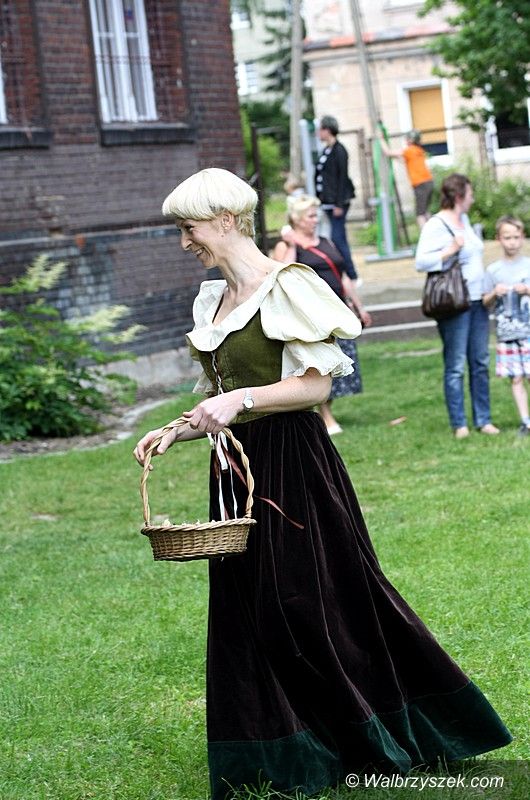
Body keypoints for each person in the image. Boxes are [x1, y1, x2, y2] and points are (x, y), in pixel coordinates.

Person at [134, 168, 511, 800]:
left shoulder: (288, 286)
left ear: (225, 221)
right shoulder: (213, 301)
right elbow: (224, 400)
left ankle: (375, 731)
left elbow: (314, 385)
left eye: (190, 228)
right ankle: (279, 748)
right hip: (236, 470)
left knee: (313, 599)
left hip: (293, 466)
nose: (184, 241)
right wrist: (177, 429)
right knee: (250, 608)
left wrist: (238, 402)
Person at [273, 193, 371, 435]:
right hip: (311, 316)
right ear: (297, 219)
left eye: (316, 215)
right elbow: (282, 274)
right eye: (310, 216)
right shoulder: (286, 246)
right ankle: (325, 416)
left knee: (336, 363)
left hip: (336, 311)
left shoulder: (326, 241)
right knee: (320, 364)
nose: (315, 220)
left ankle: (324, 412)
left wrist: (358, 307)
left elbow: (343, 276)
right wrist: (292, 245)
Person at [415, 173, 500, 439]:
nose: (473, 198)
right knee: (455, 365)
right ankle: (459, 423)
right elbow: (421, 262)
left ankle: (483, 419)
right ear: (459, 195)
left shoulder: (465, 220)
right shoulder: (436, 224)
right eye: (470, 194)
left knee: (480, 362)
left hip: (477, 301)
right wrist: (450, 249)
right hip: (455, 303)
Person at [482, 215, 530, 435]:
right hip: (507, 333)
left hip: (528, 330)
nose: (512, 242)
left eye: (516, 237)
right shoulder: (493, 270)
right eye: (507, 237)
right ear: (499, 239)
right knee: (516, 377)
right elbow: (485, 301)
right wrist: (495, 293)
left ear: (522, 237)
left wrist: (526, 290)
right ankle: (525, 420)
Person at [315, 115, 358, 280]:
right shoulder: (326, 150)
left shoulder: (339, 150)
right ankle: (343, 274)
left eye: (321, 129)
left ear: (328, 130)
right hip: (327, 201)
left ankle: (351, 274)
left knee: (338, 238)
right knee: (335, 237)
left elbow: (342, 178)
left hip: (337, 202)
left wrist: (339, 204)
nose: (319, 133)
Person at [379, 129, 433, 228]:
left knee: (420, 214)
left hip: (420, 184)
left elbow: (388, 152)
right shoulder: (418, 150)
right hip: (428, 182)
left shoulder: (409, 150)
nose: (406, 140)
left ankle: (426, 234)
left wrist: (381, 139)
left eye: (407, 139)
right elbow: (403, 160)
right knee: (425, 211)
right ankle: (433, 232)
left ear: (411, 140)